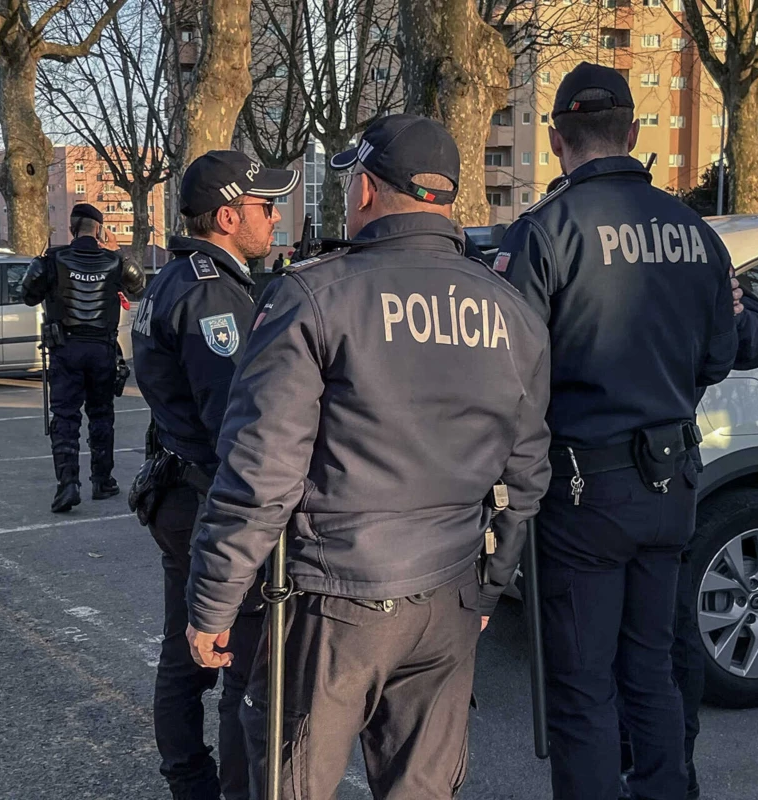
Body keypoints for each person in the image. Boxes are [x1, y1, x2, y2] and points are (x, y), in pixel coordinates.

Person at [183, 114, 553, 798]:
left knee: (290, 784)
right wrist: (489, 587)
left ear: (364, 193)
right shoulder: (511, 311)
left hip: (333, 605)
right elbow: (525, 476)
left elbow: (261, 475)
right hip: (447, 599)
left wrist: (213, 602)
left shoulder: (314, 295)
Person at [496, 62, 738, 800]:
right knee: (653, 670)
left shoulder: (544, 232)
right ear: (633, 132)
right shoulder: (696, 232)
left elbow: (508, 374)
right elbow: (722, 356)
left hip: (583, 490)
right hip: (673, 482)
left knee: (582, 688)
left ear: (556, 137)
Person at [129, 150, 299, 800]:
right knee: (239, 665)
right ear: (229, 216)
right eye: (265, 206)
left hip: (180, 489)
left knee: (188, 649)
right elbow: (242, 428)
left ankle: (191, 781)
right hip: (209, 501)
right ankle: (222, 788)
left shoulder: (175, 278)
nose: (275, 216)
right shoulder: (212, 294)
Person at [620, 277, 758, 800]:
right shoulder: (691, 243)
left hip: (654, 465)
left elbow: (752, 340)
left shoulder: (698, 249)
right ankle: (656, 769)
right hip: (644, 466)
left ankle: (666, 771)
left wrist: (731, 310)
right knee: (651, 635)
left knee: (664, 633)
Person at [22, 202, 144, 512]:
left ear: (72, 229)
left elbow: (27, 295)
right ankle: (102, 481)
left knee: (65, 417)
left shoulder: (52, 260)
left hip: (66, 348)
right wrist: (120, 252)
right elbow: (139, 286)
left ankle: (68, 485)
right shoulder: (114, 261)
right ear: (100, 229)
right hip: (102, 349)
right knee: (102, 415)